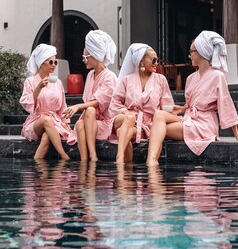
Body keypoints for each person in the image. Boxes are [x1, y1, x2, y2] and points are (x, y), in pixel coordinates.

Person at [146, 31, 238, 164]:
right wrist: (180, 109)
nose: (189, 55)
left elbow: (225, 103)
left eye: (191, 51)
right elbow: (190, 105)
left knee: (158, 130)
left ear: (201, 52)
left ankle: (151, 163)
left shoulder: (217, 76)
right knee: (159, 115)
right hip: (189, 119)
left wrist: (237, 135)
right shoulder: (191, 78)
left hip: (204, 124)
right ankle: (152, 162)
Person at [109, 43, 174, 163]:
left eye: (157, 60)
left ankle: (124, 167)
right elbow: (114, 102)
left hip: (146, 124)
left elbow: (166, 106)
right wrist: (126, 112)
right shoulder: (126, 80)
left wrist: (175, 110)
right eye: (153, 60)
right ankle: (120, 157)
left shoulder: (161, 80)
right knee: (129, 118)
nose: (156, 63)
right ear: (141, 62)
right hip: (124, 117)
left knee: (121, 132)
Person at [65, 30, 118, 162]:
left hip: (105, 123)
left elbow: (97, 102)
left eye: (85, 57)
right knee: (79, 125)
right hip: (90, 121)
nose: (83, 61)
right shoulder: (89, 75)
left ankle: (93, 155)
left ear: (95, 55)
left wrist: (77, 106)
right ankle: (85, 161)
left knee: (90, 110)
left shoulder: (110, 77)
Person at [20, 44, 71, 160]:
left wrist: (65, 122)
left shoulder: (57, 83)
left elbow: (63, 105)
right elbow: (25, 103)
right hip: (36, 122)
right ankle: (63, 155)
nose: (54, 65)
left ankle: (37, 170)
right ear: (42, 63)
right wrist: (38, 88)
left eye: (55, 62)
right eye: (50, 62)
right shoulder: (30, 81)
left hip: (53, 122)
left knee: (46, 137)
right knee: (46, 120)